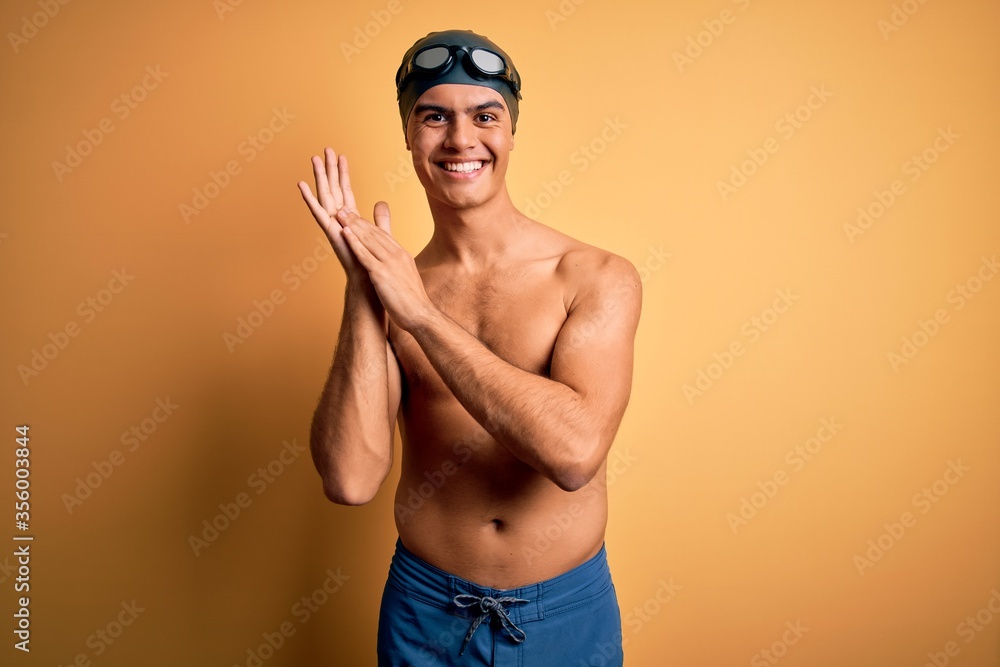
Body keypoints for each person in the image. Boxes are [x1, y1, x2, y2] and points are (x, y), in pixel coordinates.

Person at [297, 29, 641, 666]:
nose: (461, 140)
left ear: (510, 131)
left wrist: (420, 317)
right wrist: (362, 291)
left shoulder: (591, 276)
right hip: (425, 611)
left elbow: (573, 455)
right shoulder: (393, 288)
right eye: (435, 117)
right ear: (408, 132)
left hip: (564, 614)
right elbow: (350, 479)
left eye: (486, 116)